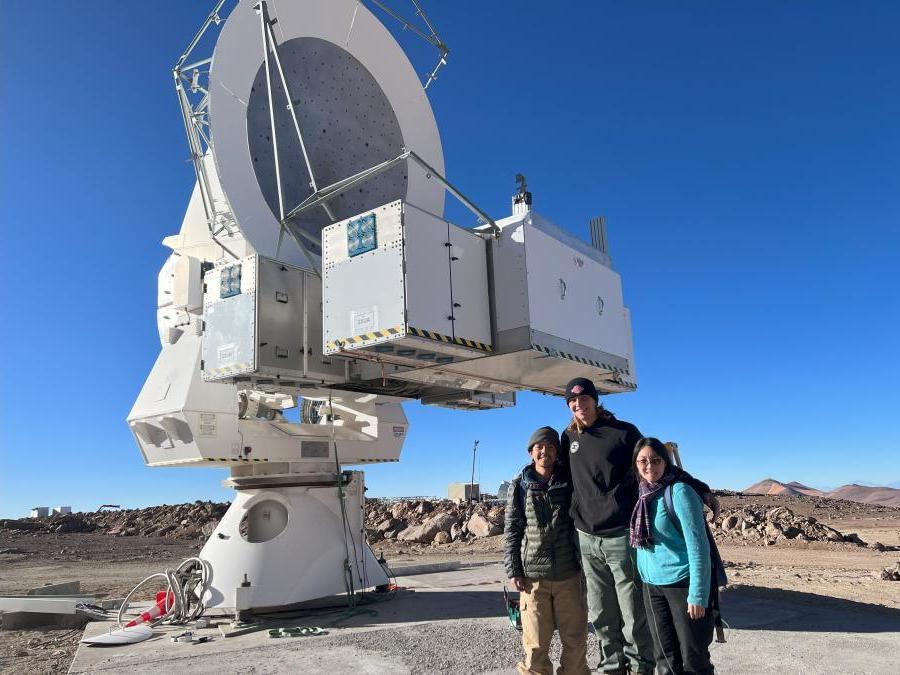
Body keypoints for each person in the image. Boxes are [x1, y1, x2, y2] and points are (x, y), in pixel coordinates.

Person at [559, 377, 718, 675]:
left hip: (620, 534)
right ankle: (611, 667)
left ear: (595, 399)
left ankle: (640, 666)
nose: (579, 405)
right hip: (587, 537)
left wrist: (698, 485)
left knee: (633, 612)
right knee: (601, 611)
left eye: (584, 399)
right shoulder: (568, 438)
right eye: (572, 401)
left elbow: (656, 463)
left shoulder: (623, 432)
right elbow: (564, 480)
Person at [504, 426, 591, 675]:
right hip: (533, 579)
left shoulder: (570, 481)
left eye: (551, 447)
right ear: (531, 452)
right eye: (540, 447)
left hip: (569, 575)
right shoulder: (520, 486)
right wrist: (514, 570)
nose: (545, 452)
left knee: (575, 642)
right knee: (535, 646)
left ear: (557, 452)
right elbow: (512, 530)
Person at [630, 437, 715, 674]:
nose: (649, 466)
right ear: (636, 465)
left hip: (682, 585)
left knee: (694, 659)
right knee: (665, 658)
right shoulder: (642, 494)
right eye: (642, 461)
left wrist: (698, 595)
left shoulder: (680, 492)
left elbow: (698, 546)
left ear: (666, 463)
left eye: (656, 460)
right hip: (652, 586)